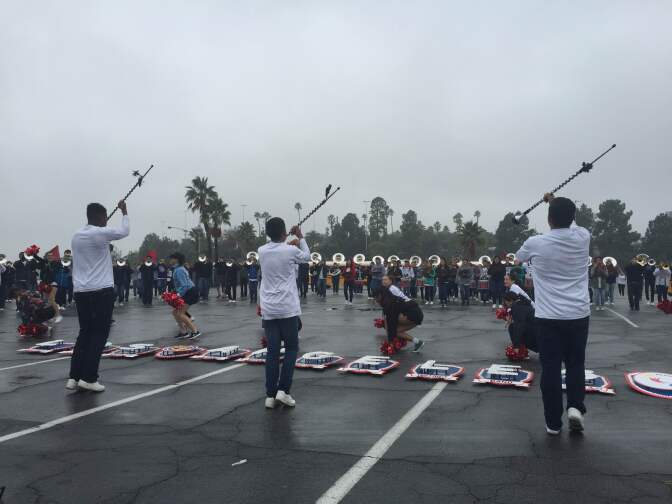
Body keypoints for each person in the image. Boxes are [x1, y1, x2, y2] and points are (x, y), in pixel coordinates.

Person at [516, 193, 590, 435]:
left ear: (549, 219)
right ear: (572, 218)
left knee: (550, 368)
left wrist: (551, 203)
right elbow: (573, 223)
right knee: (576, 363)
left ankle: (553, 423)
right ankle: (576, 407)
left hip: (548, 318)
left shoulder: (535, 242)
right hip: (578, 314)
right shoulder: (582, 237)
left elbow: (518, 259)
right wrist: (554, 200)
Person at [68, 200, 130, 393]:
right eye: (104, 217)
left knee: (85, 333)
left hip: (81, 291)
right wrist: (124, 212)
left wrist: (102, 229)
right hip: (101, 291)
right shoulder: (101, 233)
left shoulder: (76, 236)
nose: (105, 220)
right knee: (99, 334)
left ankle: (74, 377)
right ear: (100, 217)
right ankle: (89, 378)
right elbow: (124, 231)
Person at [258, 218, 310, 409]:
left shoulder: (261, 251)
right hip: (287, 308)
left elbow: (275, 246)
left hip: (269, 309)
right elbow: (307, 256)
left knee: (272, 352)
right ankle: (284, 391)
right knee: (291, 348)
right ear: (283, 232)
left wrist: (284, 236)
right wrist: (300, 236)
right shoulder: (290, 250)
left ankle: (270, 396)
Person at [376, 274, 425, 351]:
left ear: (391, 281)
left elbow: (389, 313)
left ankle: (395, 343)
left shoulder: (391, 289)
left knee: (392, 326)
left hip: (412, 312)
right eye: (382, 280)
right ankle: (417, 342)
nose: (383, 281)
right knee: (395, 330)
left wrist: (389, 344)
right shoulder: (387, 291)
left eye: (385, 280)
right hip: (412, 311)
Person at [168, 252, 201, 339]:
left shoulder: (179, 270)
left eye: (172, 258)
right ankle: (183, 332)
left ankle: (195, 331)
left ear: (176, 260)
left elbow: (185, 285)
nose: (170, 260)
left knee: (180, 313)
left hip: (190, 292)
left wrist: (177, 295)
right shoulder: (178, 269)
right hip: (187, 291)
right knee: (175, 312)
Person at [503, 290, 538, 357]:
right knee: (513, 326)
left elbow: (519, 326)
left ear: (510, 300)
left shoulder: (517, 307)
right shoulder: (522, 303)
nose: (505, 304)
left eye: (505, 302)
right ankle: (521, 347)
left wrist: (516, 346)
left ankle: (520, 350)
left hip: (536, 336)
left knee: (512, 327)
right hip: (538, 331)